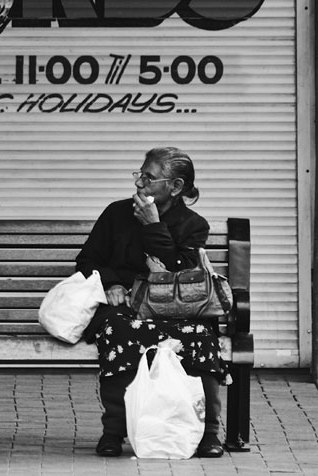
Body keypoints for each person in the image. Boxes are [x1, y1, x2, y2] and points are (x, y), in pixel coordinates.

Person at [75, 147, 227, 458]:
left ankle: (209, 430)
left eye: (149, 178)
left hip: (177, 307)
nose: (139, 184)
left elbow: (182, 272)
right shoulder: (116, 213)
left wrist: (154, 227)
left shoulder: (193, 225)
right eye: (139, 175)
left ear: (175, 187)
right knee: (118, 331)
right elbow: (87, 260)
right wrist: (112, 283)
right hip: (126, 306)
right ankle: (114, 430)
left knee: (200, 336)